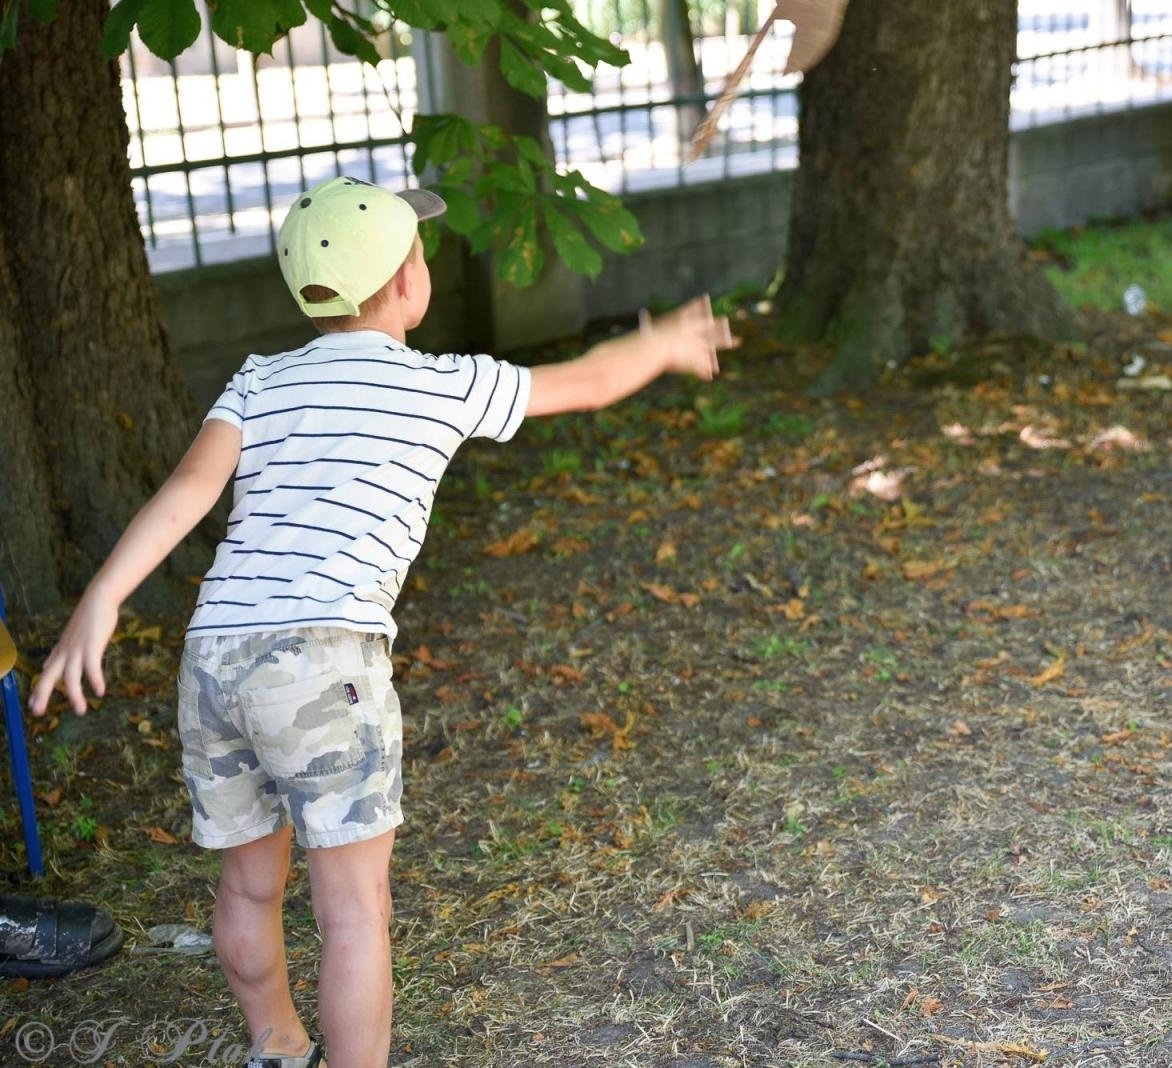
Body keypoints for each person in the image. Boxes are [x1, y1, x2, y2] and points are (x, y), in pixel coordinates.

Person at [26, 176, 733, 1068]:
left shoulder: (259, 381)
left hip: (217, 654)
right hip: (324, 659)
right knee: (353, 910)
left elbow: (187, 492)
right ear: (407, 283)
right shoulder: (441, 385)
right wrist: (664, 342)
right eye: (422, 255)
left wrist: (103, 598)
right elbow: (587, 383)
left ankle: (277, 1046)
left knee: (248, 887)